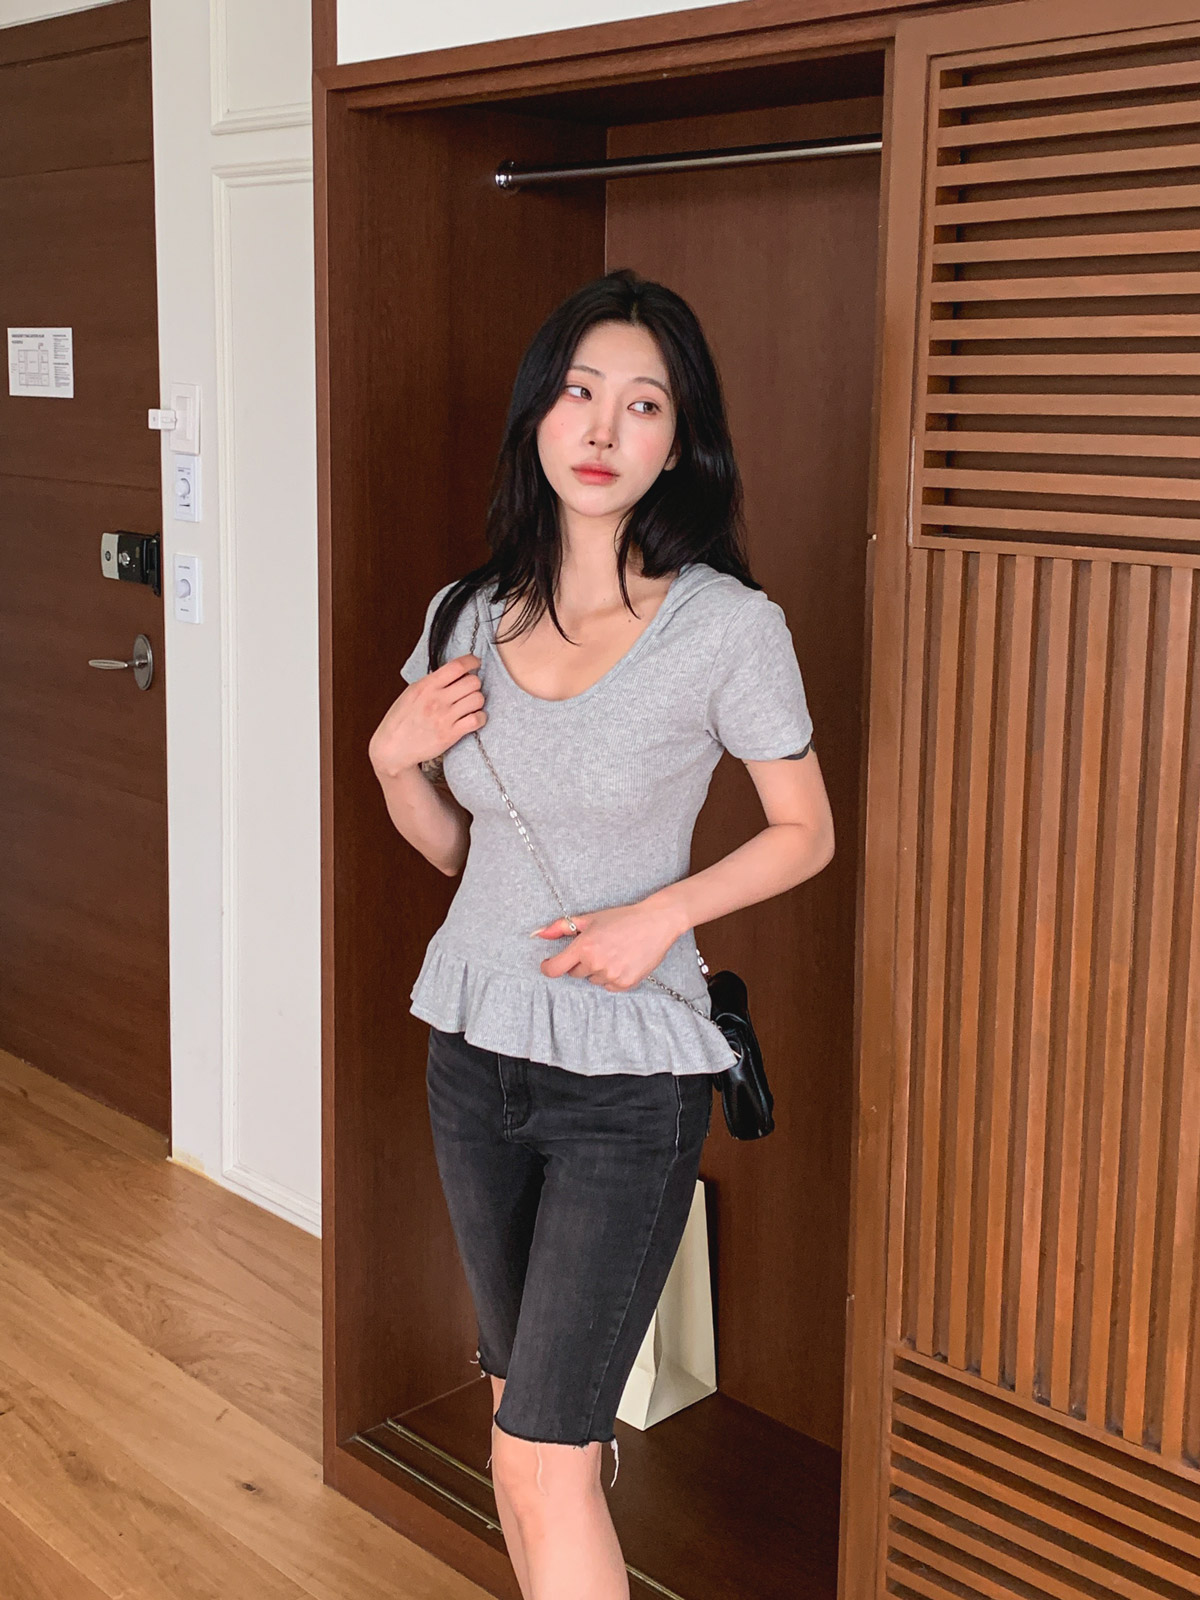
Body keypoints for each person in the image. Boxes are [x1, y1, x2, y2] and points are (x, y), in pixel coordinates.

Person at [367, 267, 835, 1600]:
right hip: (473, 1058)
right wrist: (392, 760)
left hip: (627, 1082)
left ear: (677, 444)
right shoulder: (466, 613)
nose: (602, 427)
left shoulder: (728, 629)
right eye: (580, 392)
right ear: (539, 413)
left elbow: (806, 831)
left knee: (543, 1454)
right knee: (519, 1417)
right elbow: (464, 856)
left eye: (643, 404)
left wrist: (660, 916)